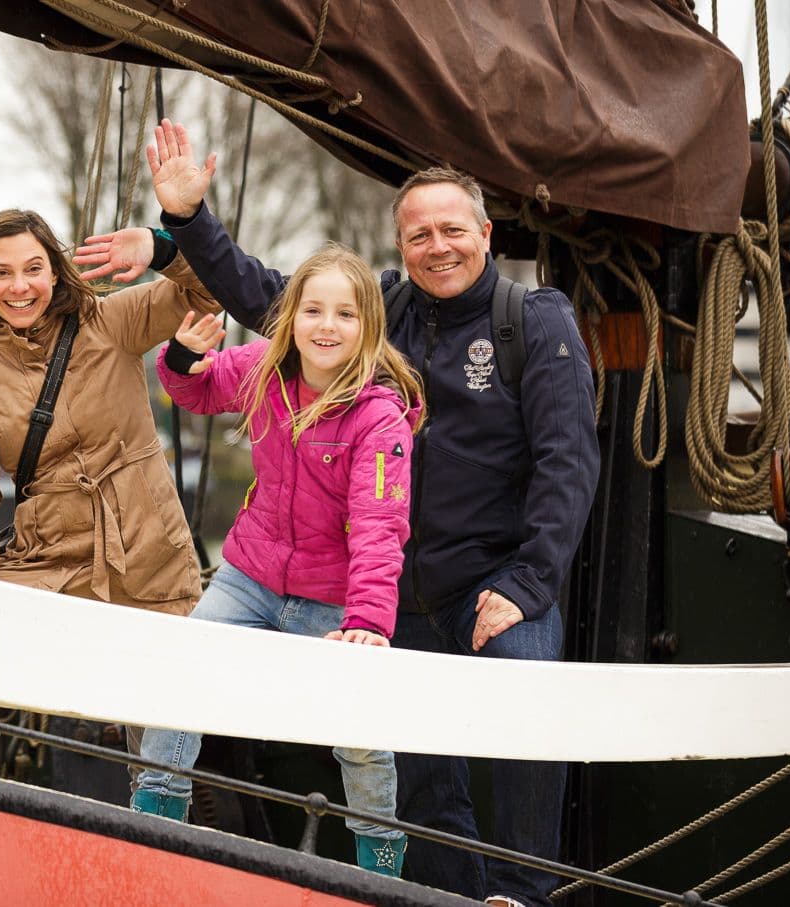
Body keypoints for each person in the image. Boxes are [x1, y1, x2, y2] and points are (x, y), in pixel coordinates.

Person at [78, 121, 599, 907]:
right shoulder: (378, 309)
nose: (437, 246)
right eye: (419, 234)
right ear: (401, 244)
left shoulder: (534, 322)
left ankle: (521, 896)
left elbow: (569, 461)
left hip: (496, 578)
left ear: (486, 233)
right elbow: (270, 297)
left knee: (523, 721)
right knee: (416, 776)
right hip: (397, 590)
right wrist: (184, 223)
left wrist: (529, 581)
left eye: (453, 230)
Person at [129, 244, 422, 879]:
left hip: (332, 596)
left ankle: (380, 861)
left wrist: (367, 622)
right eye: (313, 310)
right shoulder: (264, 368)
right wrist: (180, 357)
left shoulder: (379, 420)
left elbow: (380, 526)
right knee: (184, 674)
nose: (326, 326)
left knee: (361, 734)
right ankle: (156, 819)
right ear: (292, 318)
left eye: (345, 314)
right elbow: (199, 390)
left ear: (369, 326)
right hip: (250, 577)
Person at [0, 208, 220, 776]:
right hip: (49, 558)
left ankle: (156, 822)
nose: (20, 287)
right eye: (3, 273)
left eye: (33, 269)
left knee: (156, 748)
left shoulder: (111, 320)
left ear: (55, 271)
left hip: (144, 549)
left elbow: (209, 293)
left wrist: (164, 246)